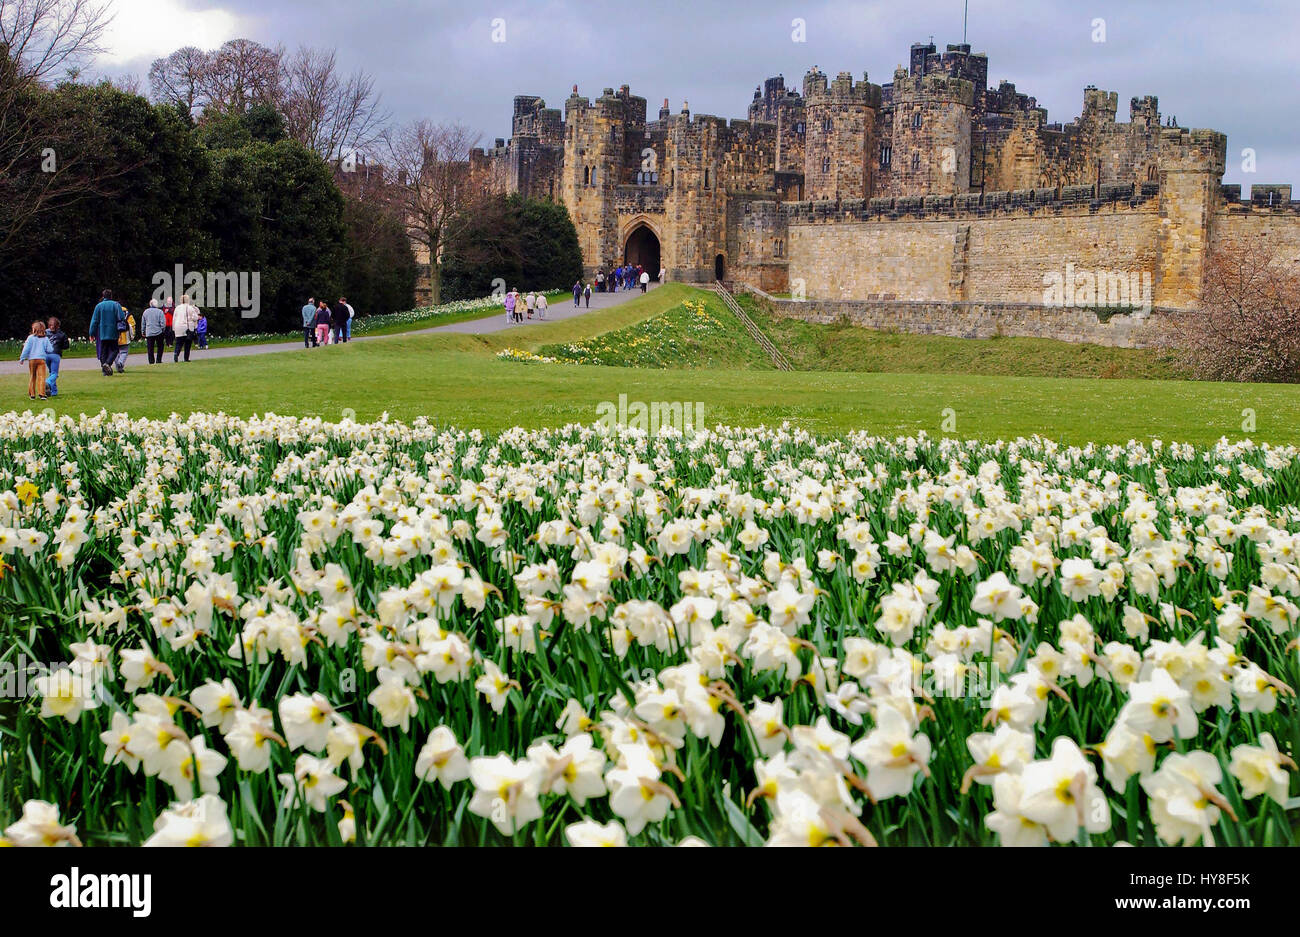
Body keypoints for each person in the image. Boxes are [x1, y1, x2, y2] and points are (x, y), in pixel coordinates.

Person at [88, 289, 122, 376]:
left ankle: (104, 370)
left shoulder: (99, 306)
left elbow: (94, 321)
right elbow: (121, 317)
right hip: (113, 331)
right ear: (111, 296)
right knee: (115, 350)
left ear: (103, 296)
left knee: (104, 351)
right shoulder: (116, 305)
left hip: (102, 332)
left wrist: (91, 333)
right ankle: (108, 364)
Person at [19, 321, 52, 400]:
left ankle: (32, 394)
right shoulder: (45, 338)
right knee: (42, 376)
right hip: (41, 359)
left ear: (34, 329)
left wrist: (22, 358)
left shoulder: (30, 338)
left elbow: (26, 349)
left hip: (32, 359)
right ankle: (42, 394)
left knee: (32, 376)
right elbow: (50, 349)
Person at [44, 317, 68, 397]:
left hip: (46, 355)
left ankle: (53, 391)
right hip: (55, 355)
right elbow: (66, 346)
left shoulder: (44, 333)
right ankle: (47, 382)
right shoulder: (62, 334)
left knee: (51, 372)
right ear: (58, 326)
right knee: (54, 374)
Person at [172, 294, 199, 362]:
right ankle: (186, 358)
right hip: (187, 327)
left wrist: (174, 328)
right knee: (188, 343)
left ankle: (176, 353)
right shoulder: (190, 307)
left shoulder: (177, 308)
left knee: (179, 343)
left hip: (178, 327)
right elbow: (195, 318)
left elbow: (174, 319)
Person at [113, 305, 135, 372]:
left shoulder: (113, 313)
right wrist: (132, 334)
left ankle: (118, 366)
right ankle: (120, 363)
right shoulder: (128, 314)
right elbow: (132, 324)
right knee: (124, 352)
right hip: (125, 336)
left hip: (115, 336)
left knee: (115, 352)